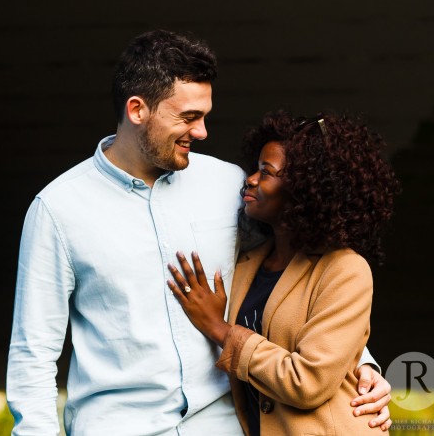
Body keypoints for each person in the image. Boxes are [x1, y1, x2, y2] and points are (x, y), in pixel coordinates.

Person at [6, 30, 392, 435]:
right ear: (138, 110)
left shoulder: (229, 185)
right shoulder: (57, 210)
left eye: (205, 115)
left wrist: (358, 363)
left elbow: (294, 275)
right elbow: (33, 355)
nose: (204, 131)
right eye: (189, 117)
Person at [168, 110, 399, 434]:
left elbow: (308, 381)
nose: (250, 179)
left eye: (267, 172)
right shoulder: (247, 261)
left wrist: (220, 329)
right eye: (255, 168)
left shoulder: (345, 269)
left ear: (304, 189)